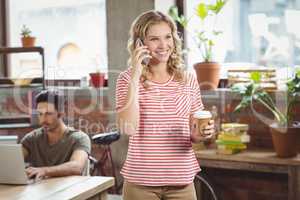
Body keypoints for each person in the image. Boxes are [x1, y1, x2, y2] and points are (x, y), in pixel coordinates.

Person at [116, 10, 215, 200]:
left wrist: (201, 134)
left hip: (182, 182)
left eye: (167, 37)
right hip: (141, 184)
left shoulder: (188, 79)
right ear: (140, 43)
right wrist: (136, 74)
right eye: (154, 39)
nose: (163, 45)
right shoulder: (127, 79)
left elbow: (194, 134)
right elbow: (128, 127)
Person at [21, 90, 91, 180]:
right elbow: (12, 160)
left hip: (70, 191)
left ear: (61, 113)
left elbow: (77, 166)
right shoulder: (31, 139)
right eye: (40, 114)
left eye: (48, 114)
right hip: (40, 191)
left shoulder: (79, 138)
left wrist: (44, 171)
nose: (43, 120)